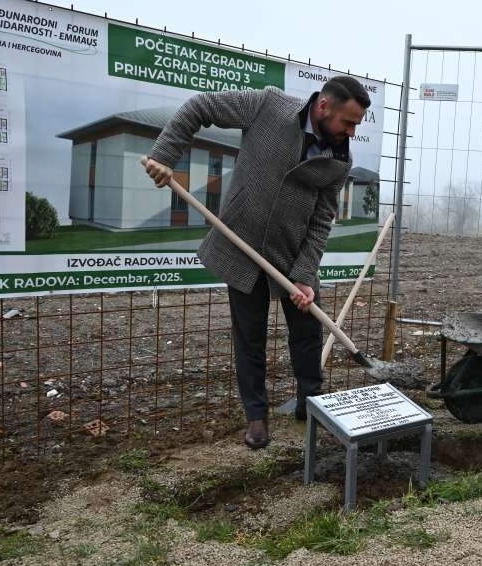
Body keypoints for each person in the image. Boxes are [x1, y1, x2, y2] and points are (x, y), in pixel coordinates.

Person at [144, 76, 371, 449]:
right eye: (347, 123)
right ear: (324, 106)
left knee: (308, 334)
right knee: (249, 339)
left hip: (292, 256)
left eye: (356, 126)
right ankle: (256, 417)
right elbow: (200, 106)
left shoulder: (339, 159)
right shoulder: (268, 106)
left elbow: (320, 222)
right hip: (242, 249)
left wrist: (305, 277)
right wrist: (165, 156)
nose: (350, 132)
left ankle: (309, 404)